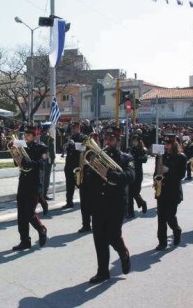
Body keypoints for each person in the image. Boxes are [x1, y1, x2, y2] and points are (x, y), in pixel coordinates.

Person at [88, 126, 134, 284]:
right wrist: (88, 171)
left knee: (112, 235)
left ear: (118, 141)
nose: (108, 142)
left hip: (117, 204)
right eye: (106, 139)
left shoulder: (127, 158)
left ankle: (123, 253)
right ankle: (103, 272)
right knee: (99, 238)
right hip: (99, 203)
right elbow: (91, 181)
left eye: (111, 139)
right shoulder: (99, 156)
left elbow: (129, 177)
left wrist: (108, 173)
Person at [11, 127, 48, 251]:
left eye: (29, 135)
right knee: (21, 214)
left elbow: (41, 164)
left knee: (29, 213)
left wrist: (25, 161)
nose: (26, 137)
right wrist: (16, 158)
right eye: (25, 135)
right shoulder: (22, 147)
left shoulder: (42, 148)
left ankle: (41, 229)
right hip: (23, 183)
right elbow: (18, 163)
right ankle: (25, 241)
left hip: (34, 184)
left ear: (35, 136)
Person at [154, 133, 187, 251]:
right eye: (165, 144)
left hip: (173, 191)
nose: (166, 146)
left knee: (169, 216)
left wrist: (169, 170)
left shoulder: (181, 157)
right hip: (161, 190)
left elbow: (181, 175)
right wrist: (155, 180)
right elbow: (156, 170)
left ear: (174, 144)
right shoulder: (160, 155)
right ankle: (162, 242)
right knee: (161, 218)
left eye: (168, 144)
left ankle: (176, 230)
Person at [62, 122, 88, 209]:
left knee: (81, 184)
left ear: (79, 128)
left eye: (75, 128)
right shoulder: (69, 137)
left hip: (78, 164)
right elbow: (65, 149)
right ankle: (69, 202)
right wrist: (65, 146)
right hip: (69, 163)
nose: (73, 129)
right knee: (69, 184)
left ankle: (84, 201)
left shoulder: (84, 137)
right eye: (72, 128)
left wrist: (74, 144)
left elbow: (84, 148)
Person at [126, 131, 148, 218]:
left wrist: (135, 158)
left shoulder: (142, 150)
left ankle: (142, 203)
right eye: (133, 140)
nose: (134, 142)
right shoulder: (130, 149)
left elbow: (145, 159)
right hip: (131, 172)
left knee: (135, 192)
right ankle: (130, 212)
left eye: (136, 140)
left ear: (139, 141)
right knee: (129, 194)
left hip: (138, 174)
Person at [39, 122, 55, 202]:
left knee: (41, 177)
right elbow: (51, 150)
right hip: (47, 159)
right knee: (46, 177)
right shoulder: (49, 138)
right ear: (48, 129)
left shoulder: (39, 137)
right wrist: (53, 159)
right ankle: (44, 194)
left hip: (40, 159)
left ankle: (40, 194)